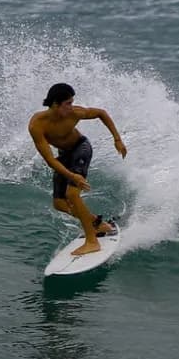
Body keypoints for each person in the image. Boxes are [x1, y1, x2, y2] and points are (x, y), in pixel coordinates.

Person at [28, 82, 128, 256]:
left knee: (72, 195)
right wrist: (71, 175)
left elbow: (101, 113)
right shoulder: (37, 125)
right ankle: (97, 224)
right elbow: (50, 159)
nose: (71, 107)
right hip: (64, 155)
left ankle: (92, 241)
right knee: (59, 204)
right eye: (68, 103)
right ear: (55, 104)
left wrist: (117, 139)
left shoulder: (75, 113)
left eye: (72, 102)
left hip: (80, 148)